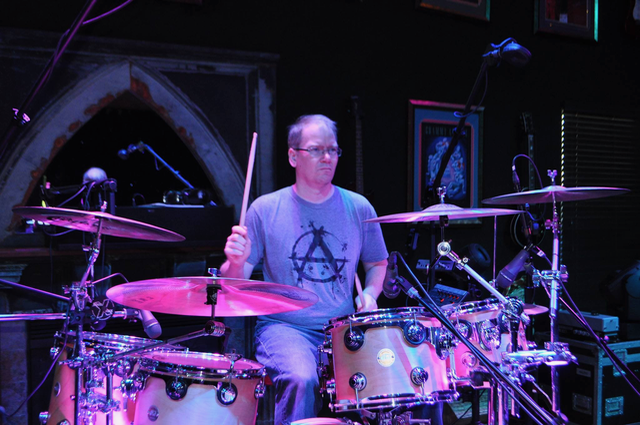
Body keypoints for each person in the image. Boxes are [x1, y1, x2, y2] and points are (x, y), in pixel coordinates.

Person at [220, 114, 388, 424]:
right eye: (316, 149)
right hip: (285, 327)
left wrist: (369, 293)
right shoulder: (265, 209)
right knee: (301, 378)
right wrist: (235, 261)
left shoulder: (359, 207)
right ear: (293, 156)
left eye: (333, 149)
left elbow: (377, 262)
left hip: (343, 329)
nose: (327, 157)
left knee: (385, 376)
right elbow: (234, 284)